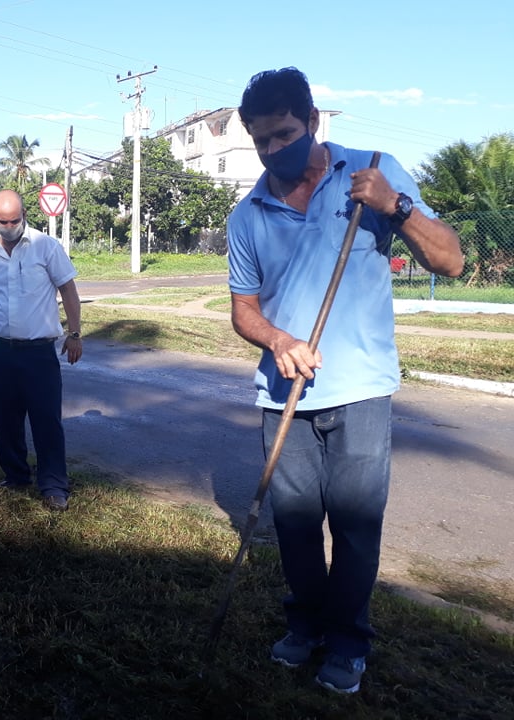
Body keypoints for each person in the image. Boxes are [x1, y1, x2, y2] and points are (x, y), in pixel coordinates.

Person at [226, 67, 463, 694]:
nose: (274, 152)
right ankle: (305, 627)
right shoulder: (247, 214)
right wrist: (278, 341)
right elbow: (243, 310)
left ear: (312, 122)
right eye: (262, 142)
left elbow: (451, 259)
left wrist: (396, 206)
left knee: (355, 528)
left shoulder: (373, 172)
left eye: (284, 135)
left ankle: (348, 642)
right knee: (296, 526)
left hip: (360, 390)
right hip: (283, 395)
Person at [0, 190, 83, 511]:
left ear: (24, 214)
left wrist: (75, 333)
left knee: (46, 420)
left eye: (16, 220)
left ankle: (53, 485)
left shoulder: (46, 247)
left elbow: (68, 289)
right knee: (6, 418)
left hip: (39, 352)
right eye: (4, 221)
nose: (10, 226)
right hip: (2, 351)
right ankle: (15, 476)